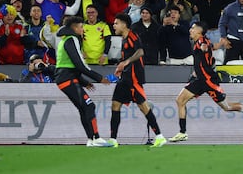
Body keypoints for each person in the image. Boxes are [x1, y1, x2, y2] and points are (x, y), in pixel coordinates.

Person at [169, 21, 243, 142]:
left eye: (193, 28)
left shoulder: (202, 42)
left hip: (208, 81)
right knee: (181, 100)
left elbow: (206, 48)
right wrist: (219, 44)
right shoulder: (201, 41)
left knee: (227, 107)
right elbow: (210, 50)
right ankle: (182, 132)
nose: (190, 30)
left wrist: (207, 49)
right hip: (202, 80)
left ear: (199, 31)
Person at [108, 13, 167, 148]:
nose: (114, 25)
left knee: (143, 107)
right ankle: (113, 139)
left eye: (116, 23)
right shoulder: (123, 40)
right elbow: (128, 58)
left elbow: (140, 52)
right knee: (115, 105)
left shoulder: (132, 35)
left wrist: (126, 62)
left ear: (124, 24)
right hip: (125, 78)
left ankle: (159, 136)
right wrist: (121, 67)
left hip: (134, 79)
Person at [55, 16, 111, 147]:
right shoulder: (72, 39)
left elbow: (71, 66)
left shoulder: (64, 40)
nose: (83, 30)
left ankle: (91, 139)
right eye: (81, 27)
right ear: (74, 28)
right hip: (68, 79)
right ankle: (96, 138)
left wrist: (84, 82)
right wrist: (98, 78)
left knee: (83, 108)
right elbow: (80, 65)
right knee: (89, 106)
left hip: (65, 79)